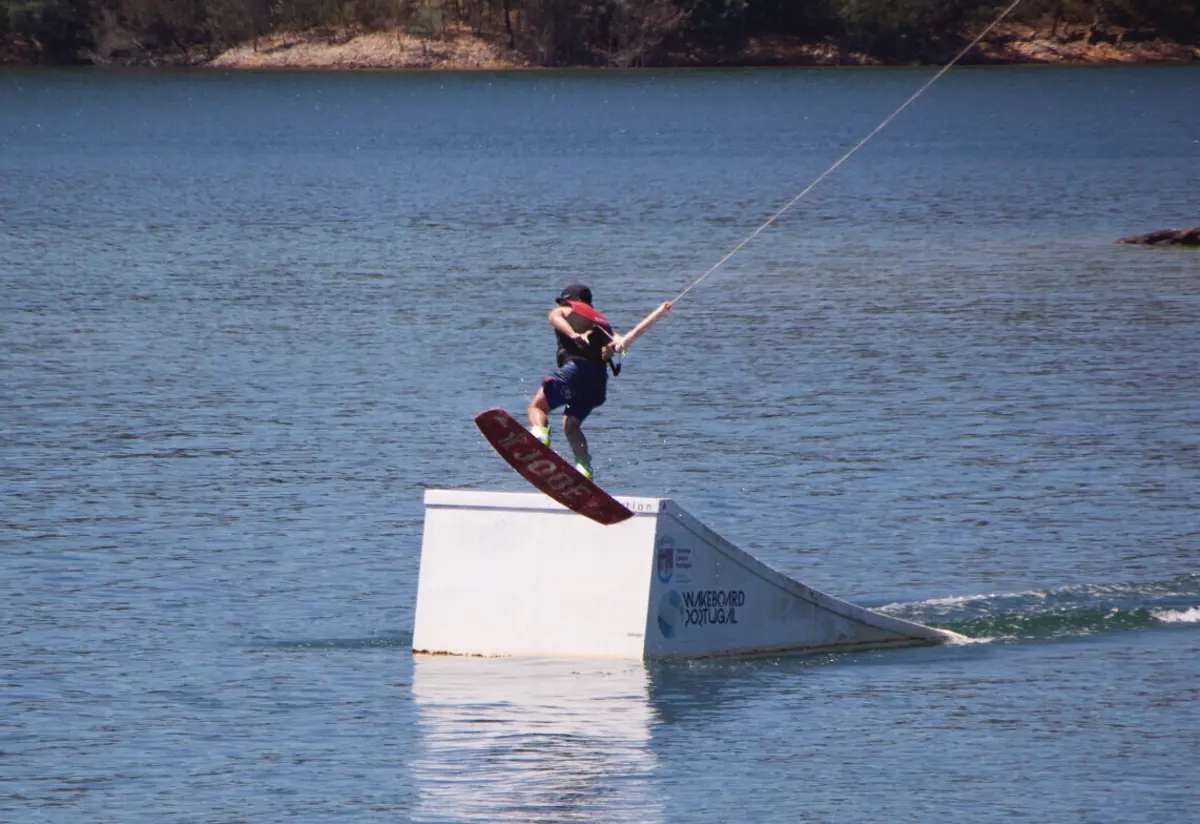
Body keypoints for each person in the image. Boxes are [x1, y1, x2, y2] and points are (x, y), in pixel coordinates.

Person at [526, 284, 620, 481]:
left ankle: (540, 436)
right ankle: (584, 467)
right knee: (571, 426)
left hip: (576, 370)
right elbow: (617, 343)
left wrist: (572, 334)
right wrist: (611, 348)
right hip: (598, 380)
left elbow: (554, 317)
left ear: (572, 299)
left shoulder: (570, 308)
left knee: (538, 407)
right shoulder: (602, 322)